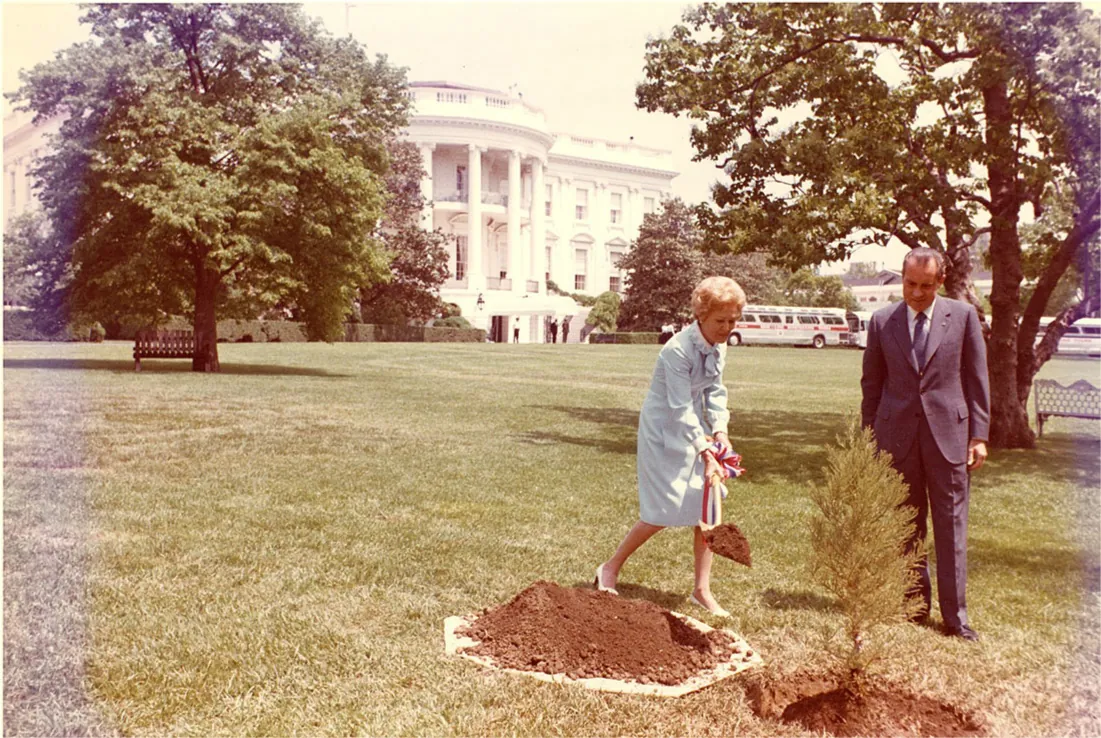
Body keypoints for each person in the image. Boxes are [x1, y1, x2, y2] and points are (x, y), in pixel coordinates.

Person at [595, 276, 746, 617]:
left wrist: (720, 433)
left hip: (696, 426)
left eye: (732, 321)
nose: (726, 328)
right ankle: (609, 568)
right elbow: (679, 408)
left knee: (707, 506)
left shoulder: (720, 346)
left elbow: (714, 392)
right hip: (665, 428)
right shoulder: (676, 349)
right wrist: (706, 452)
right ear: (701, 316)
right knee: (661, 512)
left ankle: (701, 590)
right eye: (720, 321)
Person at [860, 247, 990, 642]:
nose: (917, 293)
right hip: (896, 439)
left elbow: (977, 378)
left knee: (950, 528)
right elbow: (872, 384)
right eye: (910, 284)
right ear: (902, 278)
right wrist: (870, 436)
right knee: (906, 527)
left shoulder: (963, 316)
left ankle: (956, 619)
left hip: (949, 439)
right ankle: (913, 607)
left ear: (940, 283)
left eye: (926, 286)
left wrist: (979, 435)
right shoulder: (882, 322)